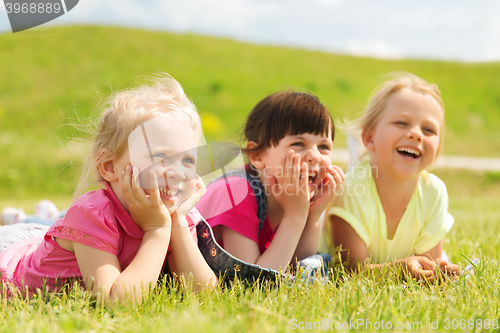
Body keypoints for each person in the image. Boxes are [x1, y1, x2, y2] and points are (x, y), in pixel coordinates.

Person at [0, 74, 217, 302]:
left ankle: (34, 219)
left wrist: (177, 223)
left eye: (188, 161)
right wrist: (157, 229)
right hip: (10, 261)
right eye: (160, 156)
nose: (177, 172)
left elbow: (203, 294)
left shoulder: (176, 213)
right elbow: (115, 302)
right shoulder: (93, 213)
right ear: (110, 167)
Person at [318, 73, 459, 282]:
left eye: (428, 130)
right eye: (402, 123)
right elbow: (349, 271)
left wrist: (434, 273)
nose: (416, 134)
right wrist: (398, 271)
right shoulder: (353, 187)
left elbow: (428, 265)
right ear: (369, 137)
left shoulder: (434, 192)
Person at [196, 91, 345, 273]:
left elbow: (298, 269)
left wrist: (311, 215)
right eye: (298, 144)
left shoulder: (289, 198)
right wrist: (295, 215)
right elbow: (253, 282)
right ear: (257, 155)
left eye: (324, 147)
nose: (315, 156)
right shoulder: (236, 191)